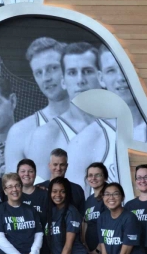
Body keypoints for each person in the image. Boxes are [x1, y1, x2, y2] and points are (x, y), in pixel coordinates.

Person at [28, 42, 101, 180]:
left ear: (101, 77)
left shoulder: (120, 124)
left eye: (87, 71)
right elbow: (36, 197)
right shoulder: (45, 135)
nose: (80, 80)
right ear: (63, 81)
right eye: (72, 73)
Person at [5, 37, 70, 172]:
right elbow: (12, 190)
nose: (46, 78)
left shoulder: (96, 119)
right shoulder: (19, 132)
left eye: (53, 68)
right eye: (39, 72)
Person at [98, 44, 147, 144]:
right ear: (101, 78)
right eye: (111, 71)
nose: (121, 78)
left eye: (127, 68)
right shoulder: (92, 138)